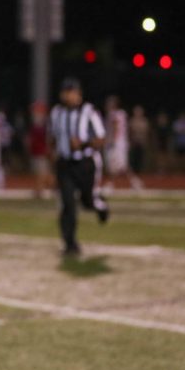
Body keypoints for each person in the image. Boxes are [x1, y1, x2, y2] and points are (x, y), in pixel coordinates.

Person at [48, 77, 109, 257]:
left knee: (87, 202)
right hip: (65, 164)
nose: (67, 96)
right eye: (65, 92)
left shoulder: (89, 112)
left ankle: (101, 206)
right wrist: (51, 161)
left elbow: (101, 139)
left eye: (70, 92)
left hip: (85, 164)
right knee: (67, 204)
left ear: (78, 93)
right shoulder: (56, 112)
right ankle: (70, 244)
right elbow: (52, 138)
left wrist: (83, 144)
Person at [103, 95, 142, 190]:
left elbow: (116, 127)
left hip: (116, 143)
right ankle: (135, 181)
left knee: (114, 164)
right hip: (122, 142)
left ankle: (111, 184)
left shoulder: (114, 114)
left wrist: (112, 141)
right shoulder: (122, 114)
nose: (107, 105)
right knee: (122, 165)